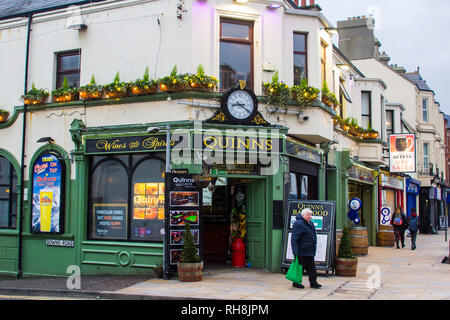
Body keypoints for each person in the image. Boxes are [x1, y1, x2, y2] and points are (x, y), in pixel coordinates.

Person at [291, 208, 321, 289]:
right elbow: (294, 238)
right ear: (303, 215)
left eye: (311, 214)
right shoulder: (298, 223)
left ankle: (313, 282)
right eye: (308, 215)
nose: (310, 216)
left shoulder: (310, 222)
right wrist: (295, 251)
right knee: (300, 267)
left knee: (312, 268)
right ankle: (296, 283)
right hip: (302, 250)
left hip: (310, 250)